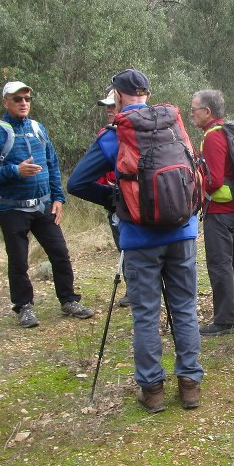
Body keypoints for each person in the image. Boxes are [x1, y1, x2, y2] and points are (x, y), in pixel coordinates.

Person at [67, 69, 203, 412]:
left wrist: (116, 198)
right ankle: (190, 386)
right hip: (183, 231)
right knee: (185, 307)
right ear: (147, 93)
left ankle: (152, 391)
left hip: (140, 238)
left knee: (146, 313)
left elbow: (78, 183)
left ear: (118, 94)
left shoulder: (116, 135)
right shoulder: (174, 126)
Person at [0, 81, 92, 329]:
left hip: (43, 206)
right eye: (17, 99)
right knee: (18, 261)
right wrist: (15, 171)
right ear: (5, 102)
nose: (23, 103)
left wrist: (58, 198)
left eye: (27, 98)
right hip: (11, 208)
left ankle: (68, 300)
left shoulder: (38, 128)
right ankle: (24, 307)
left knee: (60, 254)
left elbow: (52, 164)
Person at [190, 89, 234, 335]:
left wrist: (195, 183)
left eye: (194, 109)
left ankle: (225, 321)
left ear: (207, 111)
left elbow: (214, 181)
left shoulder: (213, 137)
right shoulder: (225, 131)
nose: (191, 114)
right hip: (233, 207)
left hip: (219, 209)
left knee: (220, 263)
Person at [96, 86, 131, 308]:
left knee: (129, 243)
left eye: (112, 105)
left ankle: (137, 289)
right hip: (113, 197)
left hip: (127, 197)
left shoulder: (120, 133)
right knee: (122, 244)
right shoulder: (106, 134)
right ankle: (133, 288)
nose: (109, 110)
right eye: (106, 106)